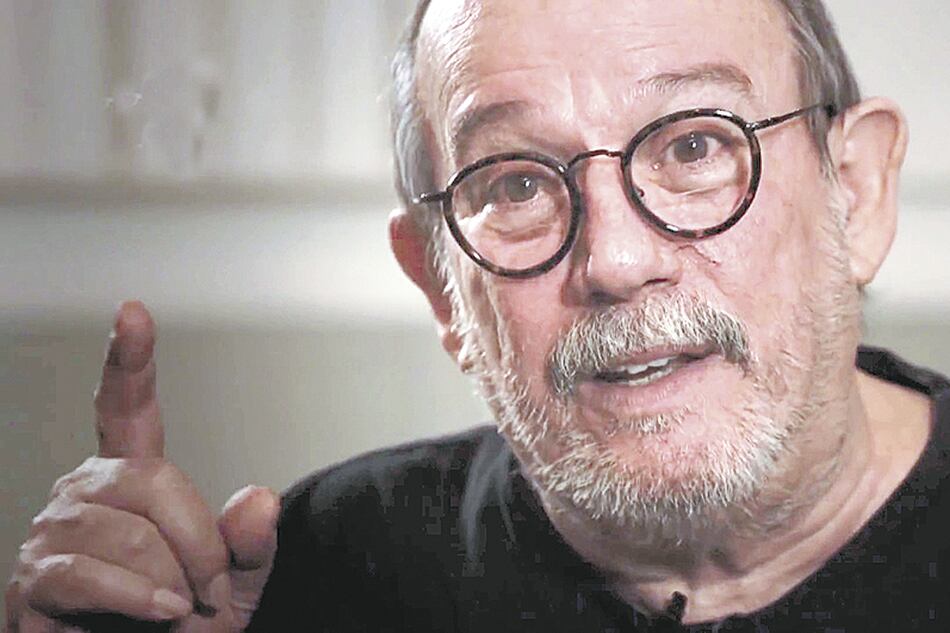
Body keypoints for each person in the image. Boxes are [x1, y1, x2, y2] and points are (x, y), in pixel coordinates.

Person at [6, 0, 949, 630]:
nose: (617, 261)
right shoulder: (311, 575)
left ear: (856, 193)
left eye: (696, 146)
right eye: (517, 183)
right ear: (440, 288)